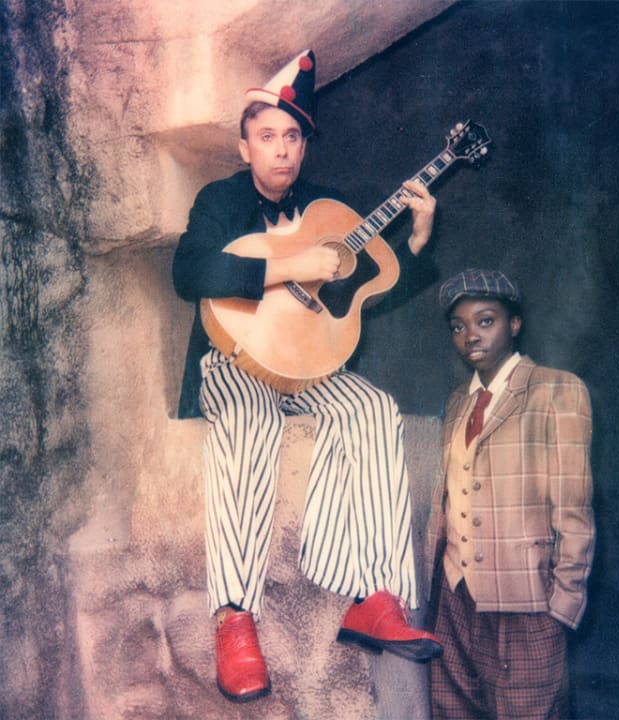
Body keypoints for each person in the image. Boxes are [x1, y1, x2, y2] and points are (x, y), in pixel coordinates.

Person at [172, 49, 443, 703]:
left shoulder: (331, 210)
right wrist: (290, 268)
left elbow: (368, 295)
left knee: (372, 408)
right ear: (245, 146)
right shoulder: (219, 200)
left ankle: (372, 597)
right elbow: (189, 273)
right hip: (236, 360)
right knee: (250, 419)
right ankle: (234, 617)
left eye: (292, 136)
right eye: (267, 136)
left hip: (309, 366)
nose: (282, 150)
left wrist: (417, 241)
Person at [425, 268, 595, 719]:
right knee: (453, 709)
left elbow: (574, 508)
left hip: (528, 599)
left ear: (514, 324)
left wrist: (562, 605)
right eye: (458, 326)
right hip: (456, 596)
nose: (470, 336)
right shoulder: (459, 402)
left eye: (486, 321)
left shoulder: (557, 390)